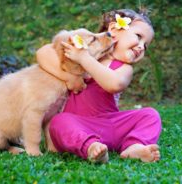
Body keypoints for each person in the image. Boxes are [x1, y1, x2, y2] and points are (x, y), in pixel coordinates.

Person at [36, 9, 162, 163]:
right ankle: (91, 147)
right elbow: (43, 52)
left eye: (146, 46)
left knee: (150, 115)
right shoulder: (85, 48)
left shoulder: (123, 68)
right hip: (79, 126)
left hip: (111, 125)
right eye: (138, 37)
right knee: (59, 121)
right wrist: (69, 77)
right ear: (114, 29)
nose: (141, 47)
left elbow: (114, 84)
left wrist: (84, 59)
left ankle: (134, 146)